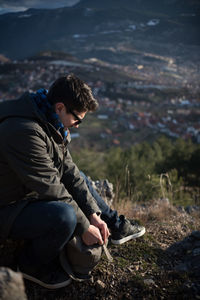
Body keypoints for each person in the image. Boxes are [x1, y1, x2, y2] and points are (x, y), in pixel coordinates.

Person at [0, 74, 145, 289]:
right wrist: (85, 226)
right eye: (78, 119)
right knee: (64, 217)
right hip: (7, 206)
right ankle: (28, 266)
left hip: (23, 192)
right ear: (60, 107)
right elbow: (50, 186)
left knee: (81, 178)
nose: (77, 125)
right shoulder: (23, 131)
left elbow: (69, 172)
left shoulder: (48, 119)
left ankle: (113, 224)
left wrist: (94, 215)